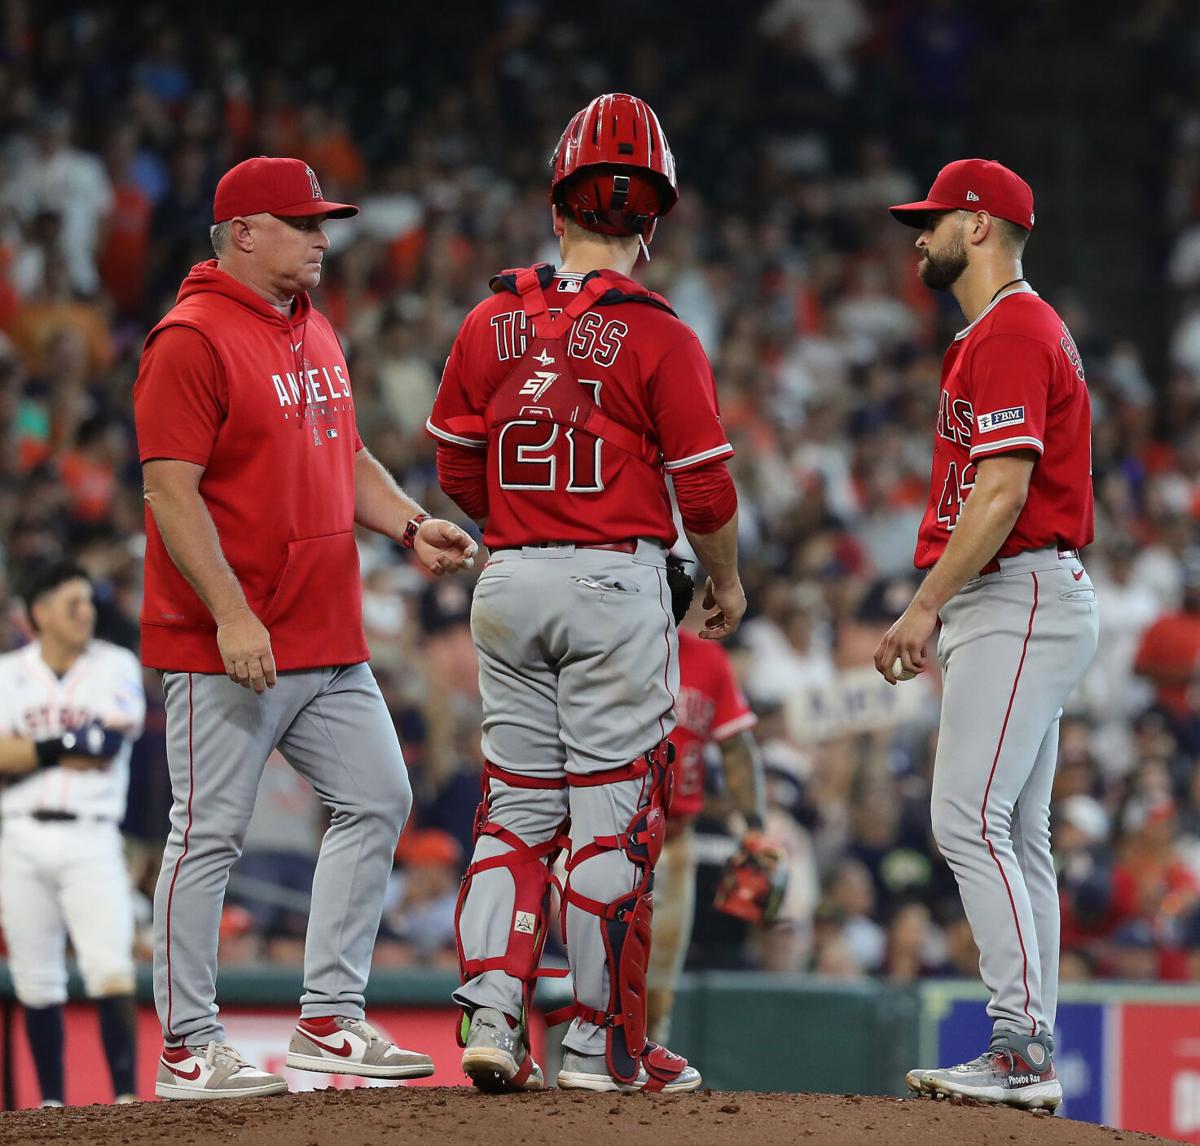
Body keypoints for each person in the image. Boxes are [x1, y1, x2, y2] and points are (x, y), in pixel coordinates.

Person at [133, 156, 477, 1100]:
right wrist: (232, 614)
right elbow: (169, 491)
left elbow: (348, 453)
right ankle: (186, 1048)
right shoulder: (189, 339)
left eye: (324, 221)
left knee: (378, 797)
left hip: (326, 636)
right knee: (207, 836)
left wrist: (410, 522)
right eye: (304, 222)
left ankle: (329, 1021)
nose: (325, 237)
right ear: (244, 232)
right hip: (230, 646)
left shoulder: (312, 327)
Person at [428, 93, 746, 1095]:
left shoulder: (491, 316)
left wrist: (517, 524)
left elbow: (455, 463)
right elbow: (705, 486)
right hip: (615, 581)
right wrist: (726, 579)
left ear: (557, 205)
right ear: (650, 222)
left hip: (511, 576)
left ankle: (488, 1010)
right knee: (611, 823)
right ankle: (598, 1047)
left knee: (515, 813)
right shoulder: (660, 334)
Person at [874, 159, 1098, 1111]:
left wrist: (923, 603)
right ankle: (1030, 1046)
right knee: (1017, 833)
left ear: (978, 225)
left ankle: (1018, 1045)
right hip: (1026, 594)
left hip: (1018, 592)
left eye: (932, 221)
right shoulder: (1007, 329)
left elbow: (1004, 490)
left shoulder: (1011, 328)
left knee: (964, 820)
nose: (917, 237)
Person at [0, 563, 145, 1107]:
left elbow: (105, 747)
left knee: (109, 967)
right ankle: (51, 1106)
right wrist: (67, 743)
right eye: (72, 604)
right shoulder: (8, 671)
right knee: (35, 977)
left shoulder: (114, 664)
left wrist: (31, 749)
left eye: (87, 602)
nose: (86, 613)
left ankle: (127, 1099)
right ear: (39, 614)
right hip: (19, 835)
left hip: (92, 836)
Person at [648, 587, 764, 1044]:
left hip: (674, 839)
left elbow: (736, 747)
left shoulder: (707, 660)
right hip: (608, 832)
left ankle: (648, 1065)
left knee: (659, 983)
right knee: (596, 972)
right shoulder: (605, 649)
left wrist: (755, 826)